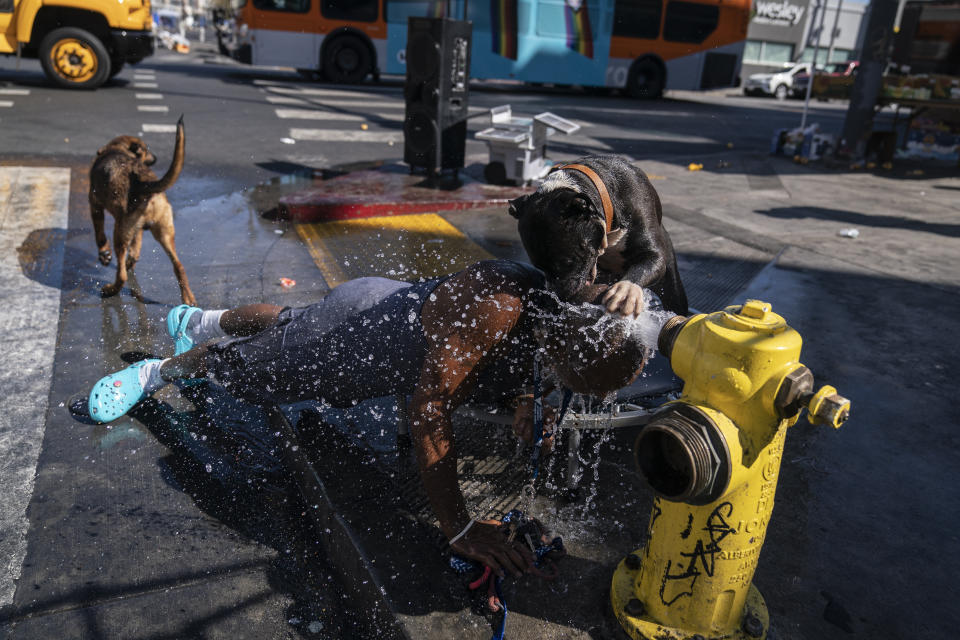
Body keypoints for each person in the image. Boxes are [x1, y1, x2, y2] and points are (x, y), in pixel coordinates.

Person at [87, 260, 650, 578]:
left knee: (289, 321)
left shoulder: (568, 309)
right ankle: (163, 369)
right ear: (570, 343)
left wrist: (527, 404)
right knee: (250, 377)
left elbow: (521, 368)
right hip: (352, 344)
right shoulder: (496, 312)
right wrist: (459, 527)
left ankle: (201, 317)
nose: (570, 395)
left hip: (372, 304)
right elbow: (429, 411)